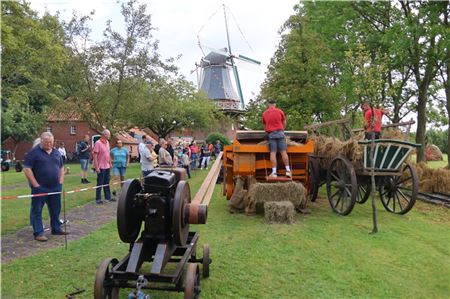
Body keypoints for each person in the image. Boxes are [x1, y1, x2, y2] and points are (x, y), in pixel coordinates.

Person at [23, 132, 67, 242]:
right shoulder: (33, 153)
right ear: (41, 141)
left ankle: (56, 228)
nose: (49, 144)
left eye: (51, 142)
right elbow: (27, 169)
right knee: (37, 210)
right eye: (47, 142)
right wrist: (35, 185)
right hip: (40, 188)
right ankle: (38, 232)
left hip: (55, 187)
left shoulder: (57, 153)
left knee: (55, 209)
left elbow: (61, 167)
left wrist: (60, 182)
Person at [262, 99, 291, 178]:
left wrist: (267, 130)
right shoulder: (280, 111)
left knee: (273, 153)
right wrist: (282, 130)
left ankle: (274, 173)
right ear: (275, 104)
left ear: (268, 104)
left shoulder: (264, 113)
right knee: (283, 152)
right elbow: (284, 122)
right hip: (280, 134)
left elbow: (265, 126)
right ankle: (288, 171)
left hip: (271, 135)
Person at [92, 129, 113, 204]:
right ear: (105, 135)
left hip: (107, 165)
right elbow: (95, 155)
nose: (110, 136)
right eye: (109, 134)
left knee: (107, 182)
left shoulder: (107, 142)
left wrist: (110, 163)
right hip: (100, 166)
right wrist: (96, 167)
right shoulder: (98, 143)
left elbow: (108, 154)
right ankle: (98, 199)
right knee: (100, 182)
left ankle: (108, 197)